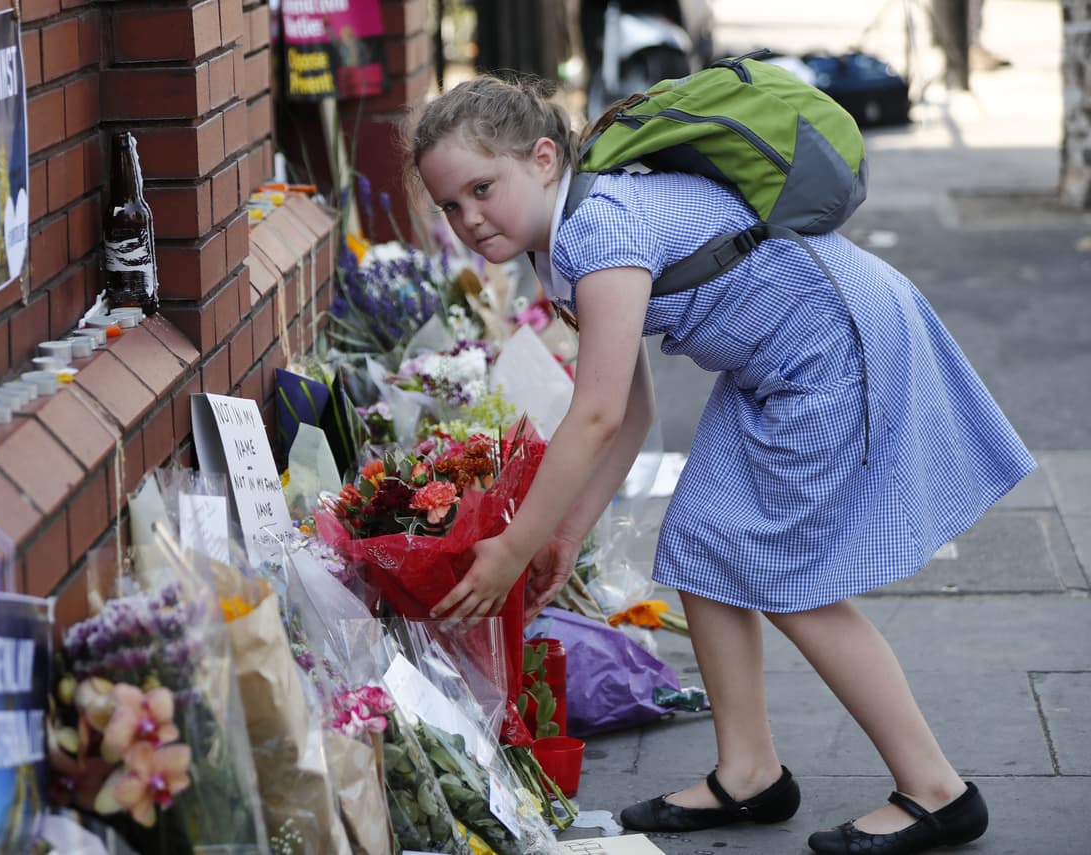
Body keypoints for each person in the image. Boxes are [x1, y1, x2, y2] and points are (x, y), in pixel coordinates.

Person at [408, 74, 1035, 855]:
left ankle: (938, 791)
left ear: (542, 159)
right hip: (777, 363)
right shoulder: (560, 249)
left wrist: (514, 548)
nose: (468, 218)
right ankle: (749, 772)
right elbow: (631, 412)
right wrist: (566, 532)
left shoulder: (598, 230)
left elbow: (596, 414)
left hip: (831, 350)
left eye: (481, 189)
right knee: (703, 544)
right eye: (449, 206)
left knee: (791, 579)